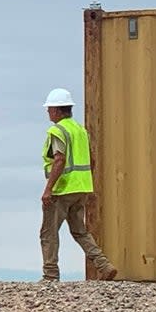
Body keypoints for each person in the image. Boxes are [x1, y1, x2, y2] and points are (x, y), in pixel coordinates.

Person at [40, 88, 117, 282]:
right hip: (81, 189)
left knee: (48, 233)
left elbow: (59, 160)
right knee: (80, 231)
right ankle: (104, 265)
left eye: (49, 109)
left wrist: (48, 189)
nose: (48, 112)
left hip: (62, 190)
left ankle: (50, 274)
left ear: (57, 111)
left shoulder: (57, 131)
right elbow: (91, 160)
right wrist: (85, 182)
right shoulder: (80, 131)